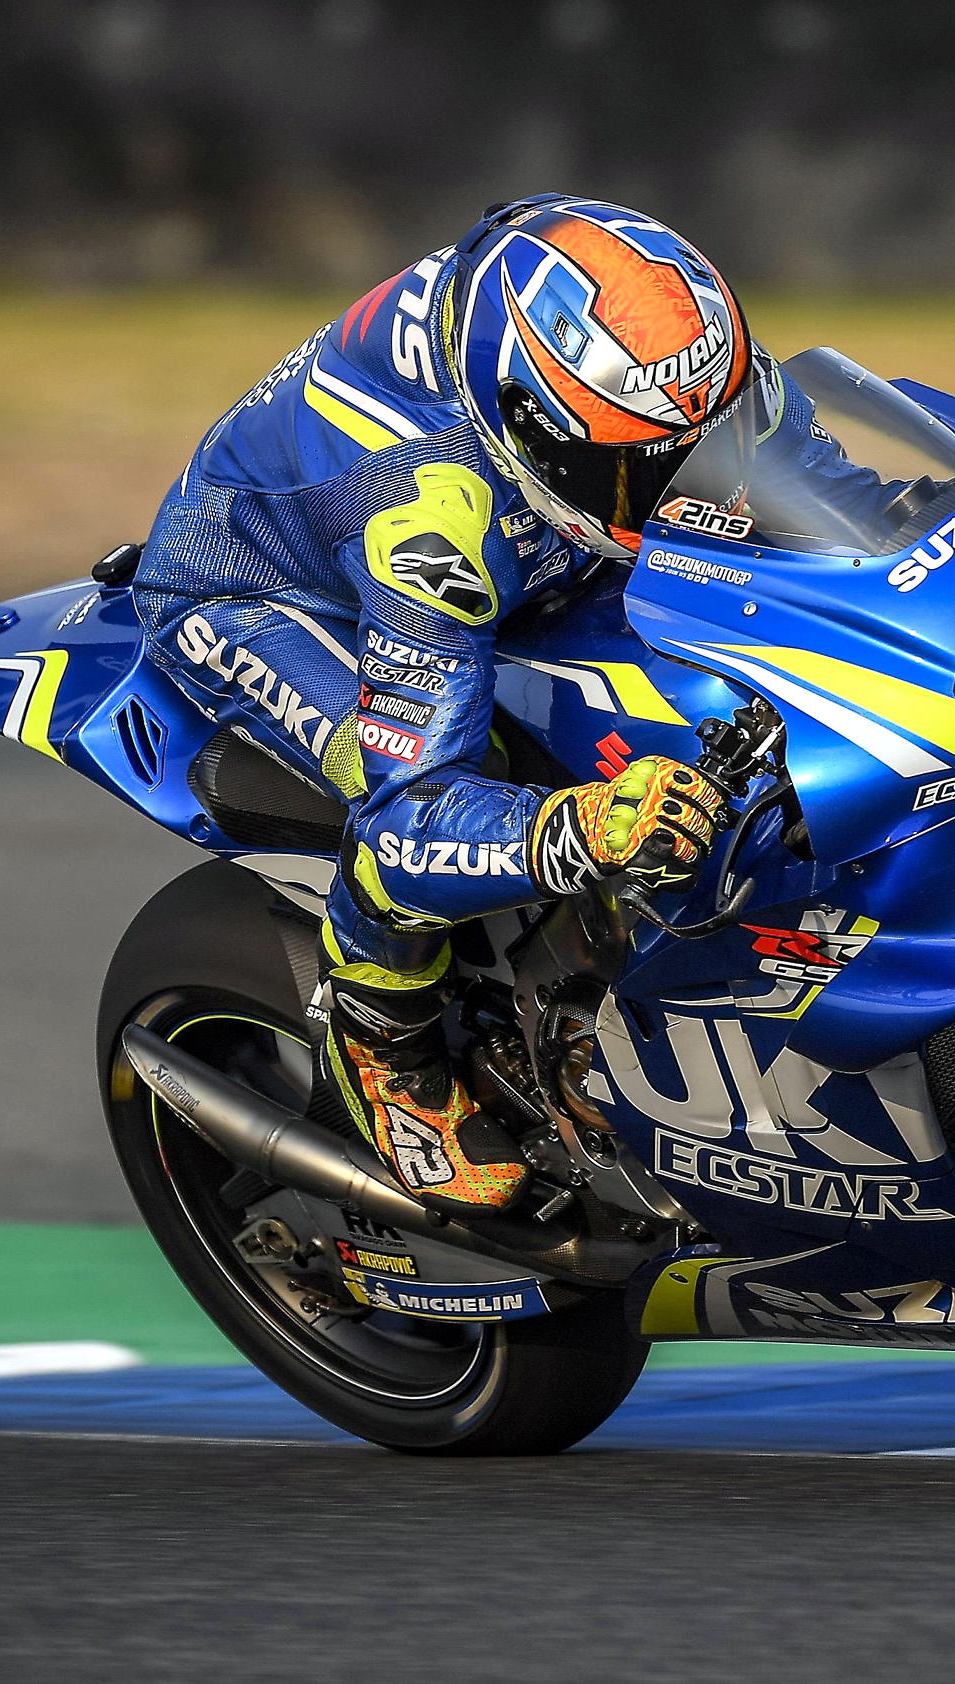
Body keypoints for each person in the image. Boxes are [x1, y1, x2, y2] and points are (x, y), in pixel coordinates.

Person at [134, 195, 837, 1216]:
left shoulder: (655, 345)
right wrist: (577, 827)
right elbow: (415, 811)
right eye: (647, 471)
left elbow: (813, 483)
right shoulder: (430, 522)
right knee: (477, 789)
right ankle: (383, 1036)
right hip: (264, 594)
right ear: (535, 436)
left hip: (518, 535)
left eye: (705, 436)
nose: (688, 481)